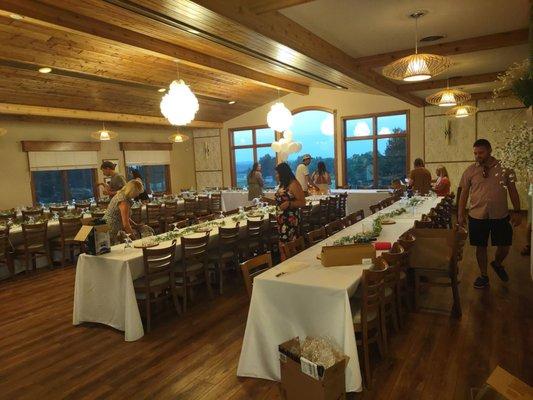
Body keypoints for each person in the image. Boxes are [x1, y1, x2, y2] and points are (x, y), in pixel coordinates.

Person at [458, 139, 521, 289]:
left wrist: (517, 211)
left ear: (490, 150)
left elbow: (513, 191)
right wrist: (460, 214)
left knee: (505, 245)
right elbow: (463, 194)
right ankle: (483, 275)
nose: (477, 156)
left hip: (500, 214)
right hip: (477, 215)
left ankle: (497, 263)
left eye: (481, 152)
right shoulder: (470, 171)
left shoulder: (505, 168)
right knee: (480, 247)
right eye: (475, 153)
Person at [104, 179, 144, 244]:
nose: (137, 195)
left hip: (107, 226)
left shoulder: (121, 194)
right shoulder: (123, 201)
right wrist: (136, 241)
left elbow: (124, 215)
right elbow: (125, 225)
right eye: (137, 193)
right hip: (111, 228)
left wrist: (135, 225)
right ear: (132, 191)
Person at [275, 163, 306, 244]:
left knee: (291, 245)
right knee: (282, 245)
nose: (276, 175)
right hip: (281, 220)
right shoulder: (283, 184)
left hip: (290, 220)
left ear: (283, 173)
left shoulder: (294, 184)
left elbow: (303, 202)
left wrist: (289, 204)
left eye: (277, 173)